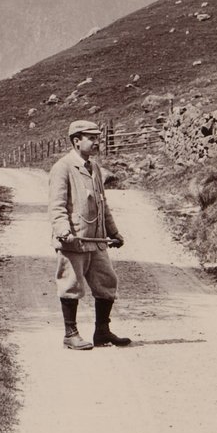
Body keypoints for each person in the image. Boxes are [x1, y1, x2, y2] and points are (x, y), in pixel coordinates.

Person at [49, 120, 131, 350]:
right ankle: (70, 334)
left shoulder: (94, 168)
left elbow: (103, 206)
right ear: (76, 141)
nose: (98, 142)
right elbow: (56, 207)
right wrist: (64, 232)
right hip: (74, 241)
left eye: (98, 137)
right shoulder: (62, 168)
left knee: (107, 282)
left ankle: (102, 332)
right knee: (71, 285)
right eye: (92, 138)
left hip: (97, 241)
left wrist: (113, 232)